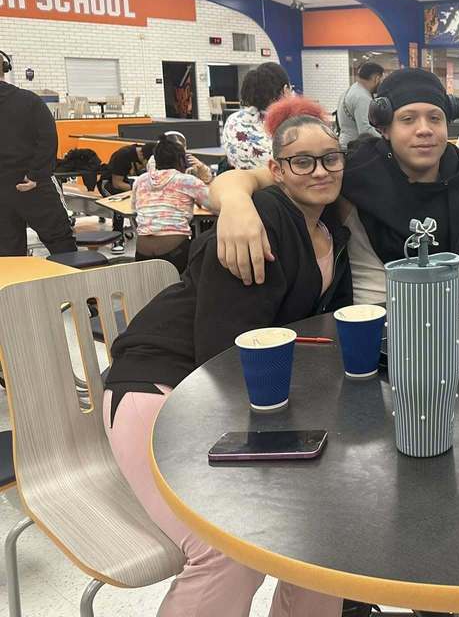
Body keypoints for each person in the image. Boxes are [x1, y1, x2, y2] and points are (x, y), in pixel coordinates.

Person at [103, 97, 355, 617]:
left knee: (326, 528)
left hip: (240, 397)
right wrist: (237, 199)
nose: (320, 170)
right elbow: (219, 353)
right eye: (301, 161)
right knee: (227, 549)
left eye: (330, 157)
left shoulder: (334, 233)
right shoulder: (261, 220)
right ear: (276, 171)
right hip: (160, 387)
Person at [210, 68, 459, 303]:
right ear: (384, 127)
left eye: (435, 118)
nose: (424, 129)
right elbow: (245, 178)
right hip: (365, 330)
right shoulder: (350, 171)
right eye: (408, 119)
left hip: (449, 326)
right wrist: (236, 204)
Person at [0, 75, 77, 256]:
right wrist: (37, 175)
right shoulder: (29, 101)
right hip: (31, 185)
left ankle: (16, 285)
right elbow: (48, 138)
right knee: (61, 242)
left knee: (7, 252)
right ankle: (70, 283)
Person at [131, 135, 212, 273]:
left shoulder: (140, 180)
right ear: (181, 160)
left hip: (141, 254)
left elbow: (134, 209)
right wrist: (204, 173)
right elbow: (214, 204)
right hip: (175, 254)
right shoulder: (187, 181)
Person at [222, 62, 291, 169]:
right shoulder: (287, 124)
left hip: (241, 182)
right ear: (285, 90)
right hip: (276, 183)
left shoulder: (232, 120)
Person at [101, 142, 155, 253]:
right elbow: (117, 184)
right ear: (143, 157)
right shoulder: (123, 156)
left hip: (128, 184)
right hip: (108, 184)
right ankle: (117, 238)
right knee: (118, 204)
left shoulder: (143, 154)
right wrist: (139, 189)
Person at [337, 62, 384, 150]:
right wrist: (386, 141)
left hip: (345, 143)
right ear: (376, 78)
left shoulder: (350, 90)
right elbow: (365, 130)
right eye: (381, 79)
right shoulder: (362, 97)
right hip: (355, 148)